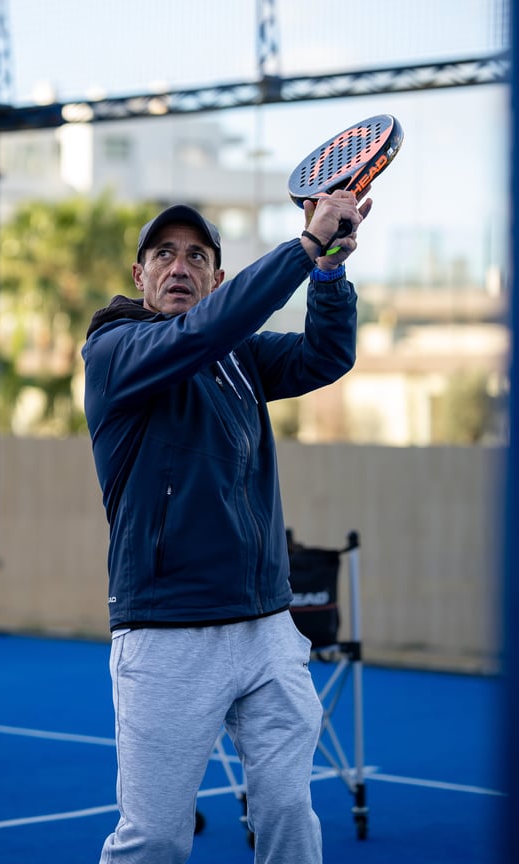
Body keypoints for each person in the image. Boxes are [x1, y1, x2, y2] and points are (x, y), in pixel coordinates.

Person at [81, 190, 371, 864]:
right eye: (163, 254)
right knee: (154, 838)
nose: (178, 266)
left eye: (196, 257)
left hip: (266, 627)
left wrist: (327, 269)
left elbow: (326, 356)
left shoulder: (238, 358)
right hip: (166, 635)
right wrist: (301, 248)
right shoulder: (114, 350)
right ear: (140, 276)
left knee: (288, 812)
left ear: (215, 278)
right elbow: (205, 332)